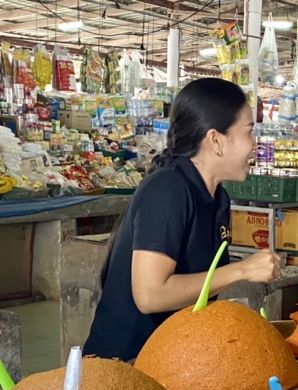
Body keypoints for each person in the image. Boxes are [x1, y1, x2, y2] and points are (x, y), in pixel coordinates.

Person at [84, 78, 280, 361]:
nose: (255, 145)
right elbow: (150, 295)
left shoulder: (217, 198)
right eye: (249, 132)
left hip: (173, 356)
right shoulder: (168, 190)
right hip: (124, 363)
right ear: (215, 140)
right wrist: (242, 271)